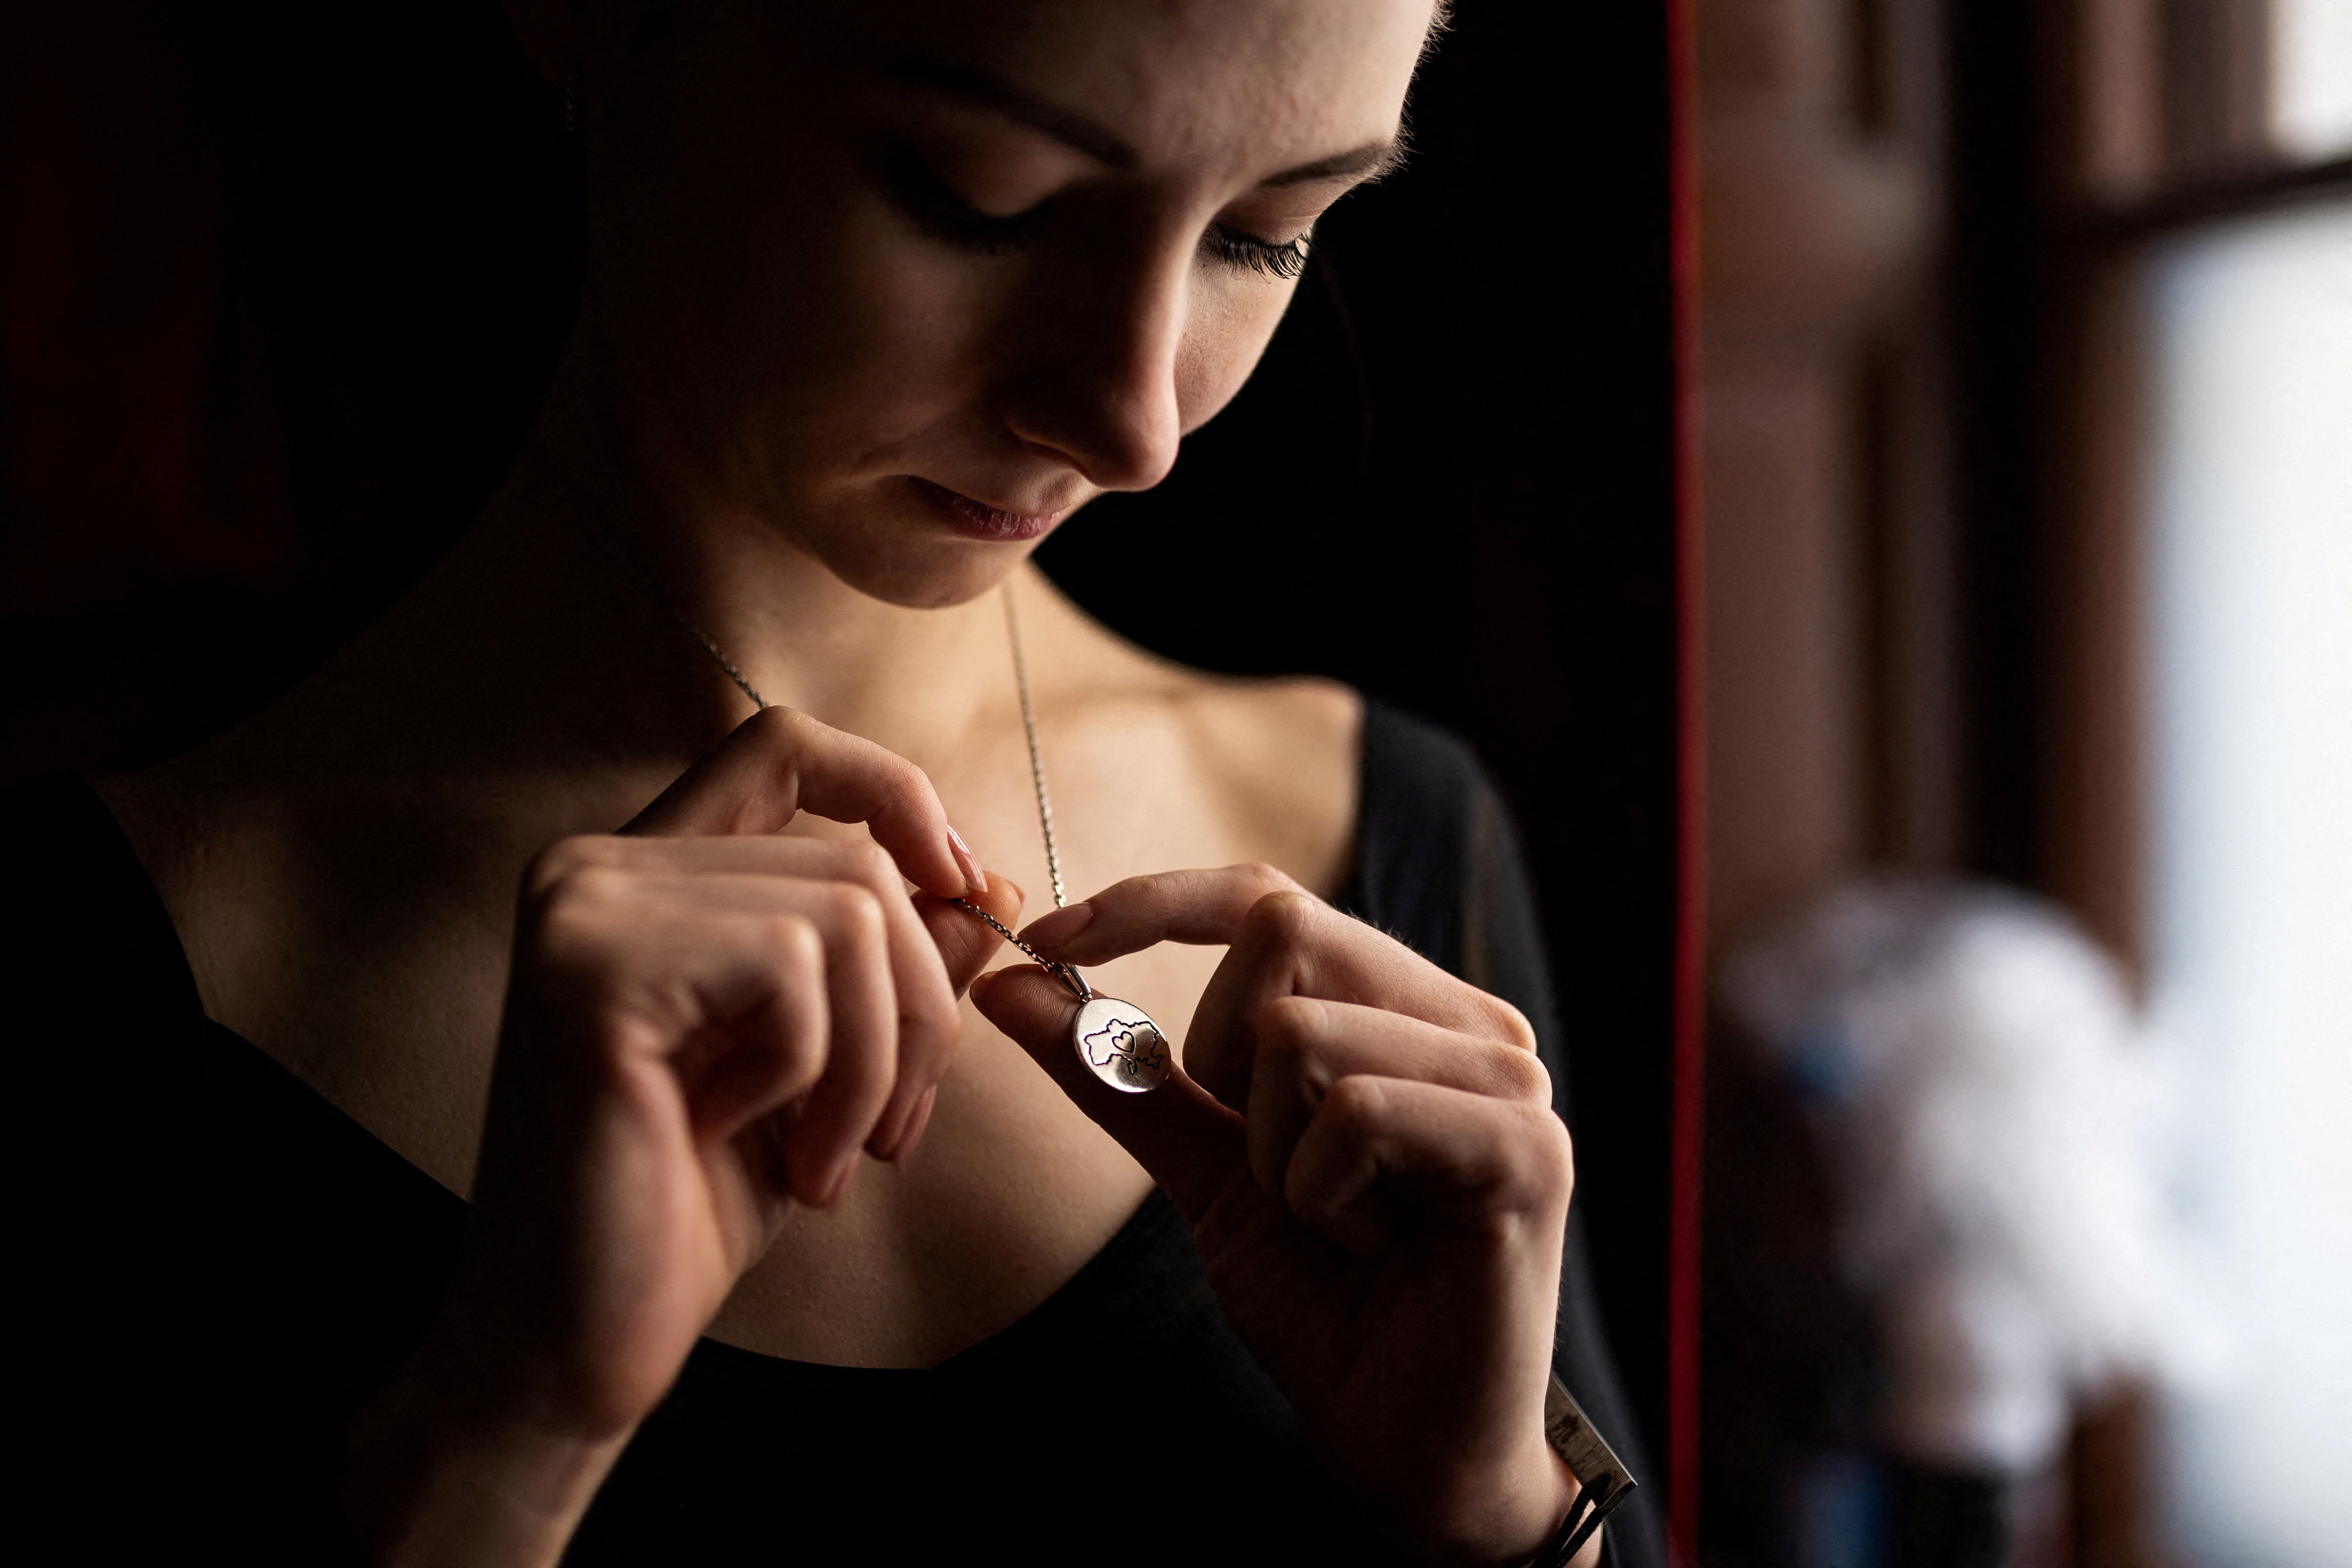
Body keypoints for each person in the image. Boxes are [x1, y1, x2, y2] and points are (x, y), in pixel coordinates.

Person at [13, 1, 1663, 1563]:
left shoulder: (1391, 837)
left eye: (1266, 232)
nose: (1134, 419)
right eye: (981, 196)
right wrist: (496, 1443)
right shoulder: (131, 976)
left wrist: (1498, 1512)